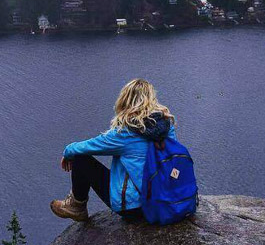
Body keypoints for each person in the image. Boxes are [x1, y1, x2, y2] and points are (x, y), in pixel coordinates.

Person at [51, 78, 176, 222]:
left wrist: (68, 151)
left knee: (81, 159)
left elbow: (87, 147)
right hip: (168, 201)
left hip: (137, 209)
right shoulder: (167, 127)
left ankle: (76, 206)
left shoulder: (126, 132)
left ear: (125, 100)